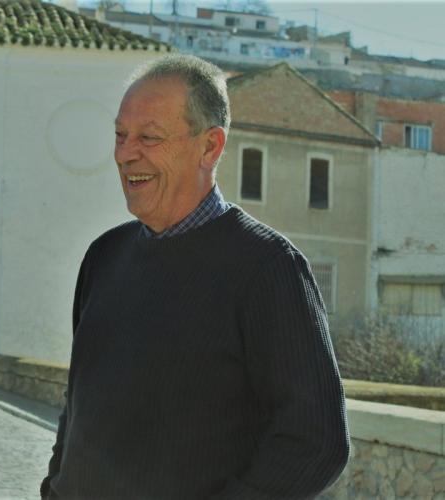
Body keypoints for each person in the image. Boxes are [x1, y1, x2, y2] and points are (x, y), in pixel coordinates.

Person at [41, 55, 349, 499]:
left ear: (210, 147)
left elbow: (316, 442)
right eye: (121, 135)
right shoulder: (103, 256)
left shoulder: (269, 268)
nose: (125, 154)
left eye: (149, 137)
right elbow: (78, 405)